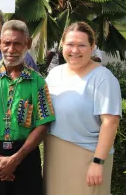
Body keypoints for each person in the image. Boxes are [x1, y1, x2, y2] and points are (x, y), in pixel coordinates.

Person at [0, 20, 56, 195]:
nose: (11, 49)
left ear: (27, 45)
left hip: (25, 156)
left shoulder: (37, 82)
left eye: (17, 44)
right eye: (6, 43)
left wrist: (16, 159)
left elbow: (43, 124)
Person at [43, 22, 121, 195]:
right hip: (55, 155)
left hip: (88, 157)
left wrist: (98, 162)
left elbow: (110, 122)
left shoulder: (103, 78)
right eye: (70, 44)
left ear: (92, 47)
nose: (75, 50)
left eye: (81, 45)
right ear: (62, 44)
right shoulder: (55, 74)